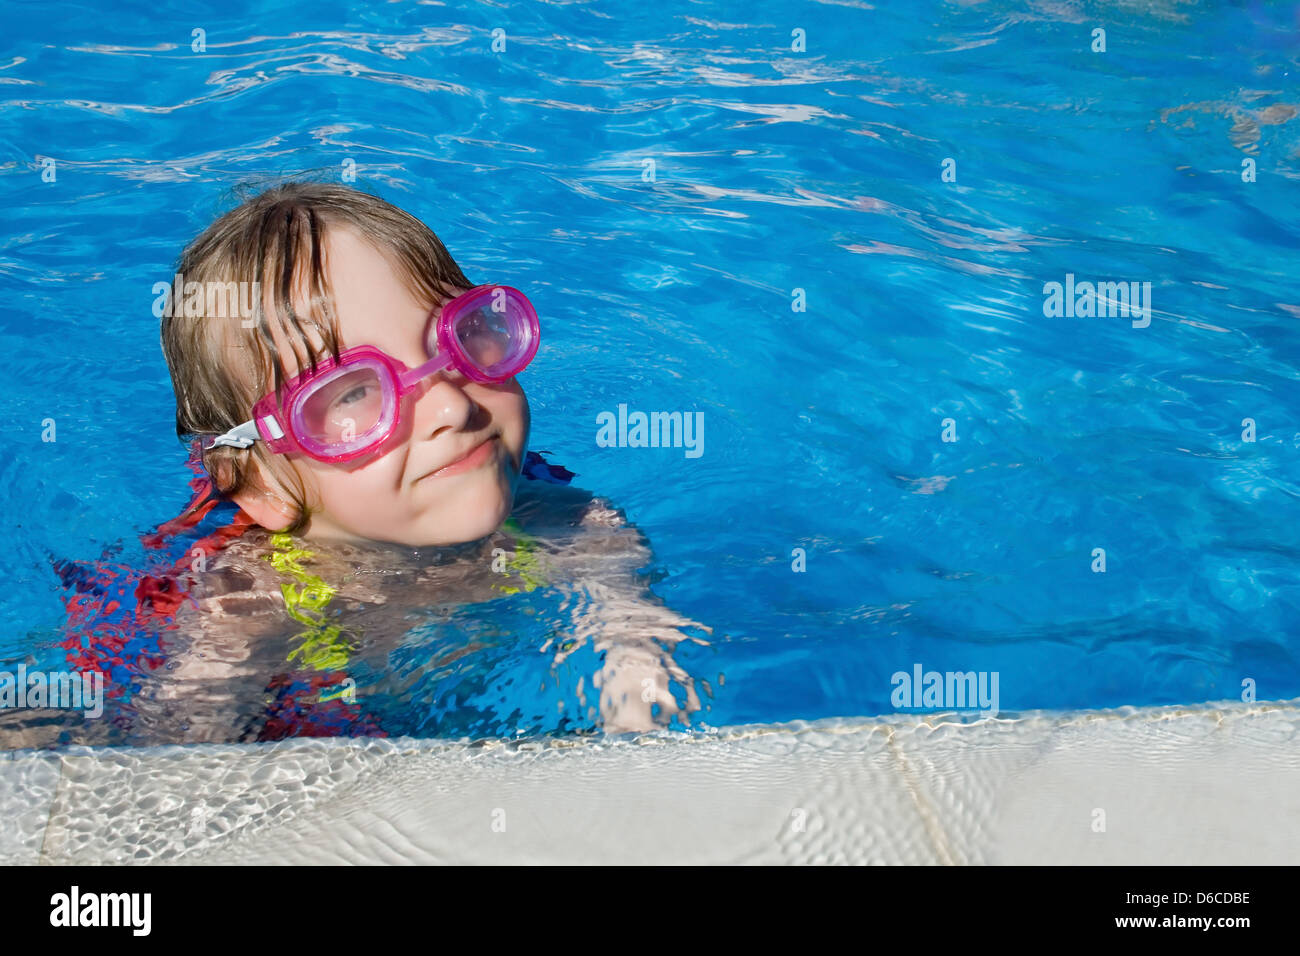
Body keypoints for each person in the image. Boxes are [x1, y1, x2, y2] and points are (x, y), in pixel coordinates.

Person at [56, 181, 706, 741]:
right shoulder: (253, 598)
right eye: (354, 391)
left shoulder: (572, 525)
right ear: (263, 488)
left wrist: (634, 680)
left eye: (463, 336)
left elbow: (637, 652)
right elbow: (174, 752)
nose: (452, 405)